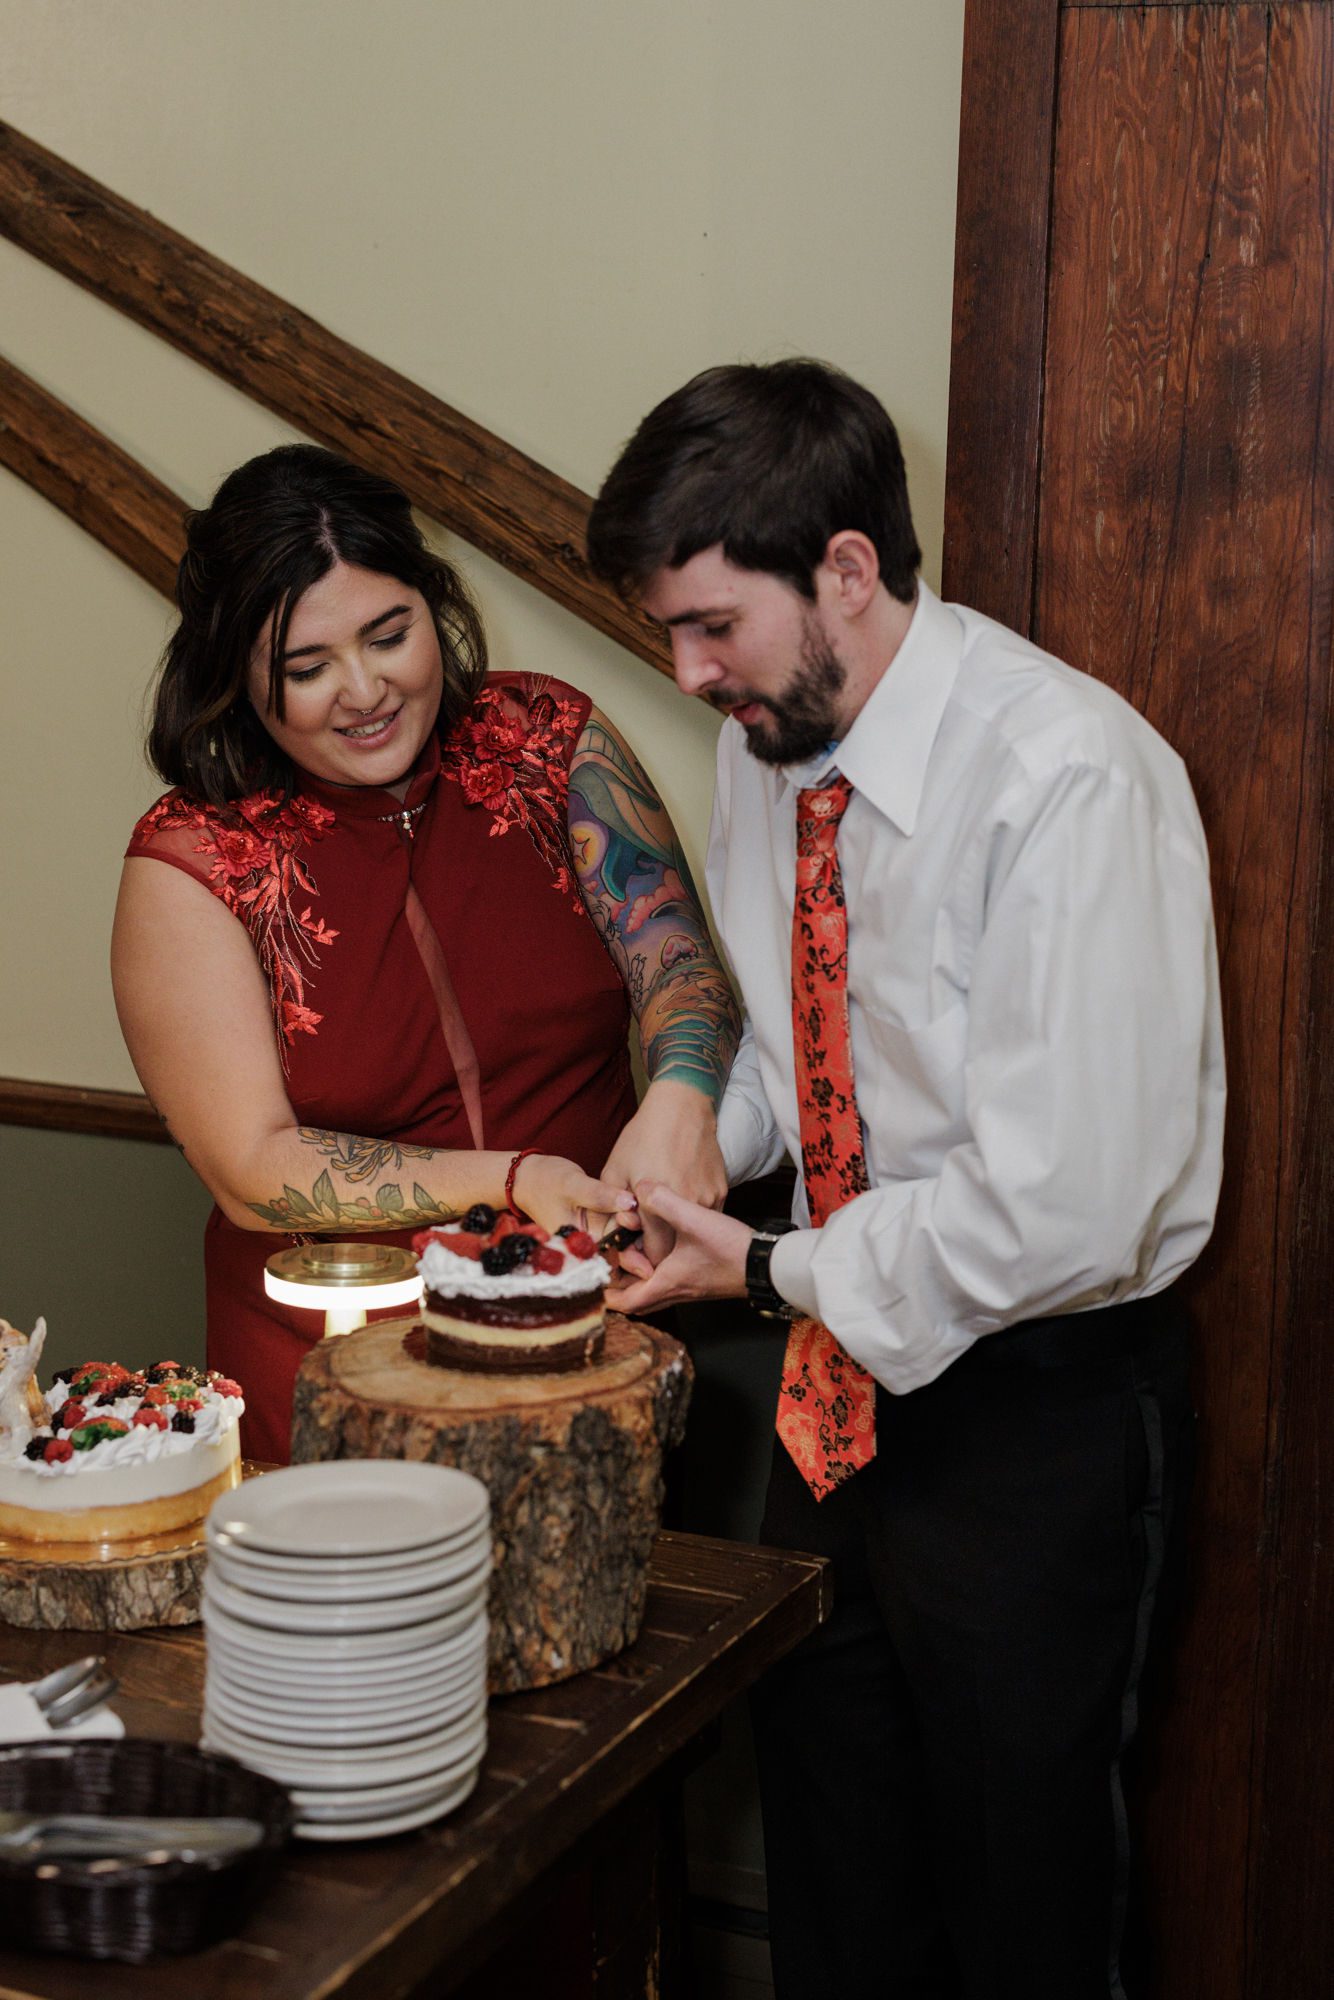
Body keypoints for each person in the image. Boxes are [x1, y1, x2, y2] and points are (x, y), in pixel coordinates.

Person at [586, 359, 1225, 2000]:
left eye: (711, 624)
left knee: (1022, 1898)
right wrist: (684, 1137)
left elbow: (1059, 1206)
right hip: (832, 1398)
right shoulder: (764, 743)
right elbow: (798, 1050)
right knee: (835, 1871)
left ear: (847, 574)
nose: (684, 669)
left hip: (1039, 1408)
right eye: (668, 631)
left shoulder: (1069, 778)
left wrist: (759, 1267)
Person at [111, 444, 739, 1462]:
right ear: (235, 676)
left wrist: (679, 1094)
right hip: (333, 1373)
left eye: (389, 634)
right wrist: (513, 1174)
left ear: (431, 603)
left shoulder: (546, 741)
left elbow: (681, 971)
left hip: (598, 1332)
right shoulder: (193, 862)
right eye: (305, 669)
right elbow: (255, 1166)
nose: (362, 691)